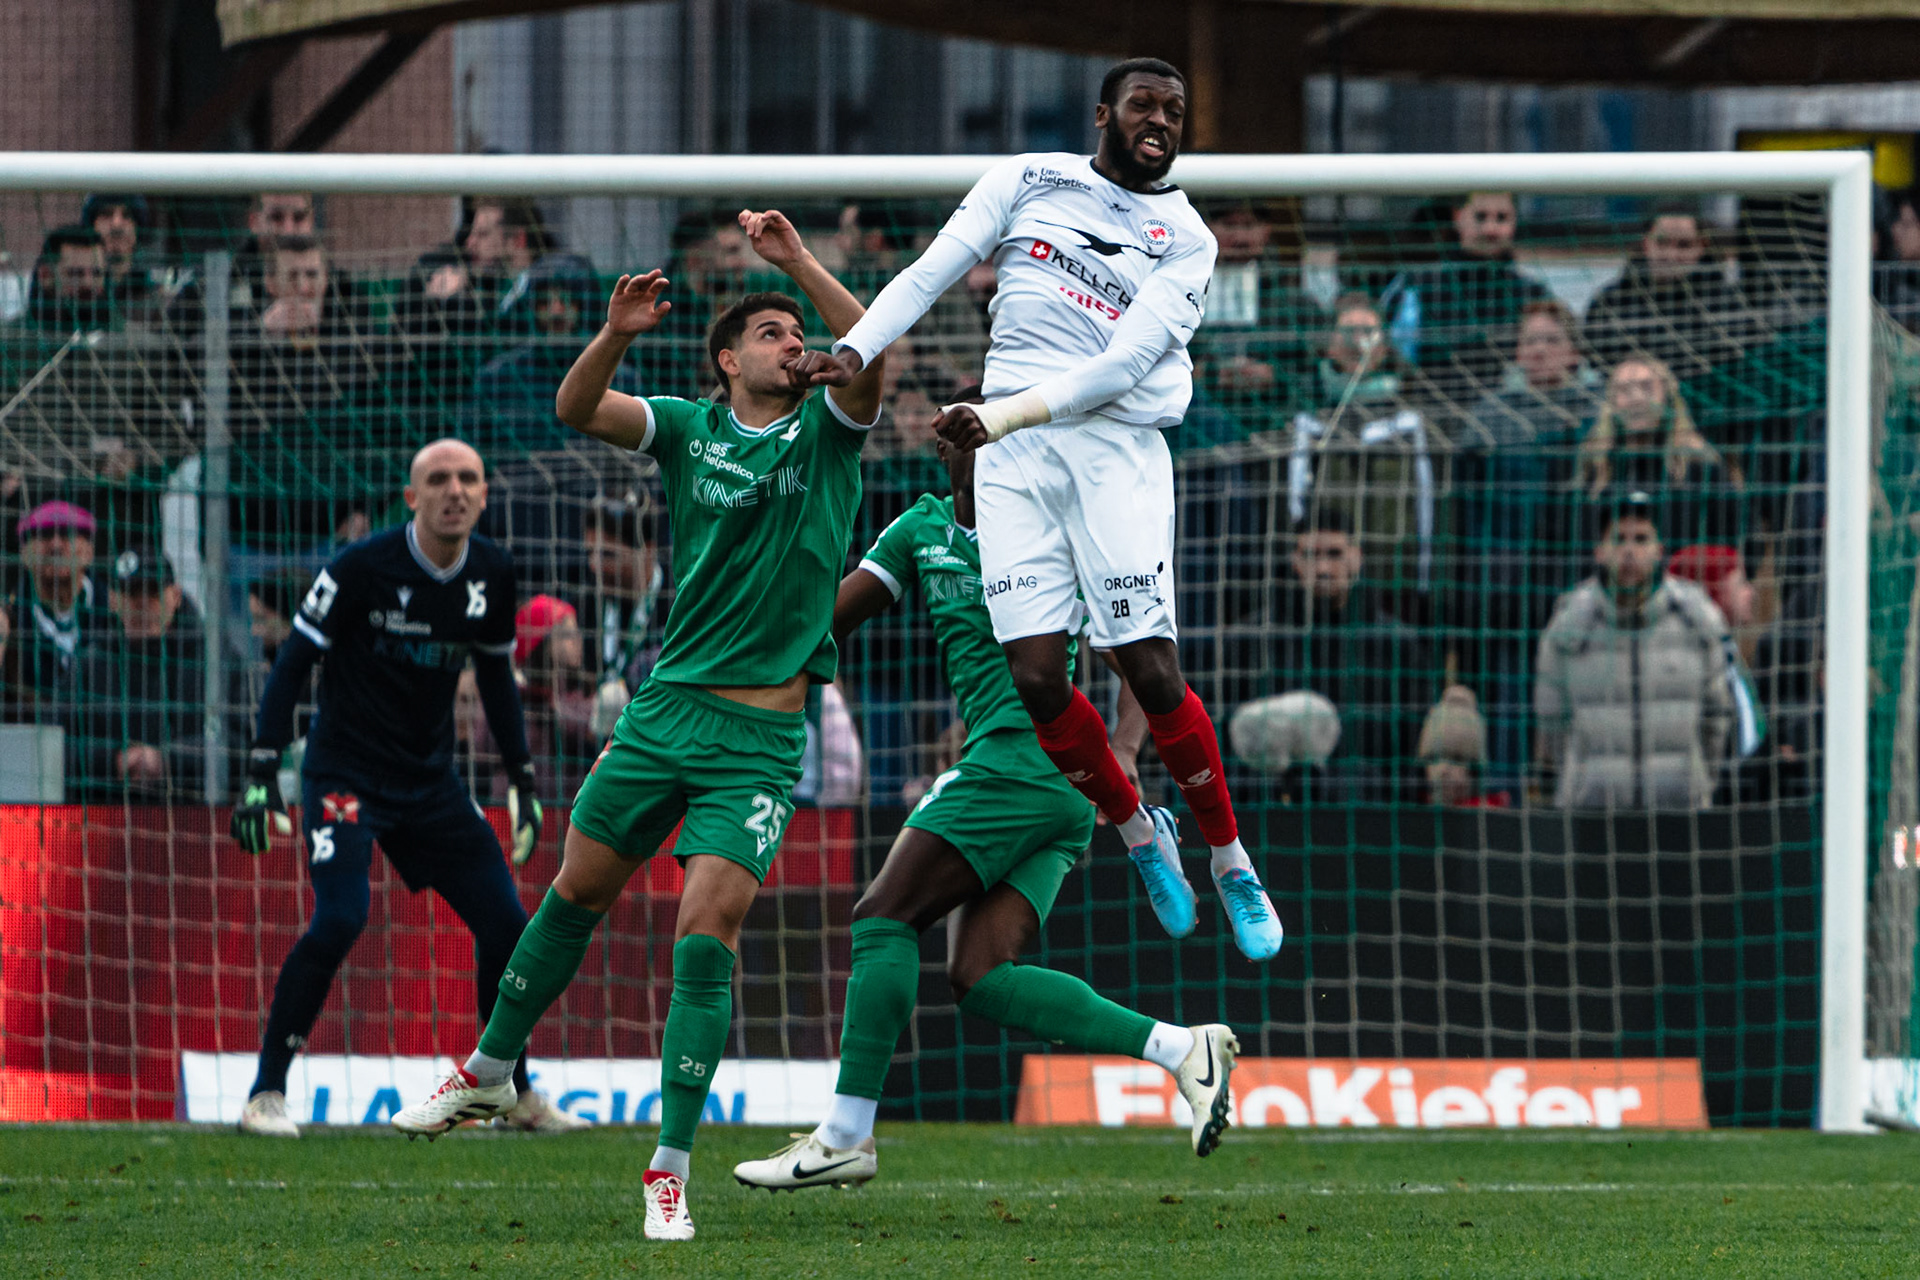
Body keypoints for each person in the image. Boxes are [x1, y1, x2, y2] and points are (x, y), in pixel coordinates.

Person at [391, 209, 884, 1243]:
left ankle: (668, 1169)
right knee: (576, 892)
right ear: (725, 358)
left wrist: (797, 265)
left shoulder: (826, 432)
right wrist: (614, 331)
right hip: (663, 710)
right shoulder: (689, 426)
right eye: (771, 332)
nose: (793, 343)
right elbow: (577, 407)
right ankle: (487, 1072)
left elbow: (873, 348)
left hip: (757, 737)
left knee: (705, 933)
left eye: (800, 334)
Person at [791, 56, 1284, 962]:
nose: (1162, 121)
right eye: (1145, 104)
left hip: (1111, 449)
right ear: (1105, 112)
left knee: (1150, 668)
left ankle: (1231, 857)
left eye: (1177, 112)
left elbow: (1122, 366)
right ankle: (1140, 833)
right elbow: (932, 270)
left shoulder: (1188, 238)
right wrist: (855, 350)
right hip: (1010, 448)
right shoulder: (1027, 179)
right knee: (1035, 679)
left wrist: (997, 414)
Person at [733, 428, 1240, 1192]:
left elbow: (1139, 660)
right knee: (980, 975)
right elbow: (828, 625)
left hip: (1029, 761)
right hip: (1029, 777)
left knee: (881, 918)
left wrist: (1125, 757)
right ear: (945, 447)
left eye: (994, 424)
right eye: (963, 427)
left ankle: (844, 1135)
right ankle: (1181, 1049)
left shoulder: (1053, 529)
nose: (975, 440)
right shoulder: (922, 529)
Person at [227, 438, 581, 1139]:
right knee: (340, 918)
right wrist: (263, 770)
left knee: (509, 925)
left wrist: (522, 778)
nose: (455, 490)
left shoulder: (493, 573)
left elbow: (496, 684)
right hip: (346, 776)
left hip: (430, 782)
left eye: (468, 479)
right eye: (439, 479)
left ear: (484, 495)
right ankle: (265, 1093)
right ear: (411, 497)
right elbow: (293, 662)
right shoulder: (362, 567)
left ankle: (510, 1089)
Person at [1533, 492, 1733, 810]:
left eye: (1641, 539)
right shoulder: (1569, 628)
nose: (1629, 550)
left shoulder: (1696, 620)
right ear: (1599, 552)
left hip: (1680, 820)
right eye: (1618, 539)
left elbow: (1717, 718)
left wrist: (1697, 784)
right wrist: (1583, 782)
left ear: (1659, 551)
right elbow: (1552, 723)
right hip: (1592, 822)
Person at [1223, 506, 1439, 800]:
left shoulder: (1399, 646)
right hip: (1270, 805)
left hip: (1370, 810)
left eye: (1335, 554)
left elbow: (1414, 748)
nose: (1323, 568)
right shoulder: (1251, 640)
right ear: (1296, 561)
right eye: (1312, 555)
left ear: (1356, 557)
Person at [79, 544, 235, 801]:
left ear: (175, 597)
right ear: (113, 601)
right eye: (131, 594)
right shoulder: (88, 665)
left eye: (152, 593)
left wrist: (166, 761)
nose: (141, 605)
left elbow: (241, 740)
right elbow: (56, 745)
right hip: (107, 817)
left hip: (196, 815)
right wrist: (116, 760)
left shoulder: (216, 660)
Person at [1384, 191, 1550, 398]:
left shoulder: (1533, 292)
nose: (1491, 229)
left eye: (1501, 218)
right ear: (1458, 217)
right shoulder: (1417, 285)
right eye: (1480, 216)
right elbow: (1394, 360)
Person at [1575, 355, 1740, 548]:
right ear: (1611, 403)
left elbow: (1734, 541)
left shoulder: (1701, 465)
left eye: (1646, 387)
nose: (1636, 398)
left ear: (1667, 398)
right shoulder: (1591, 468)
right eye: (1624, 390)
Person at [1583, 208, 1747, 382]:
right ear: (1646, 244)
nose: (1671, 254)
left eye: (1684, 245)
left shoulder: (1727, 304)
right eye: (1662, 242)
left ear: (1702, 247)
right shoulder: (1609, 303)